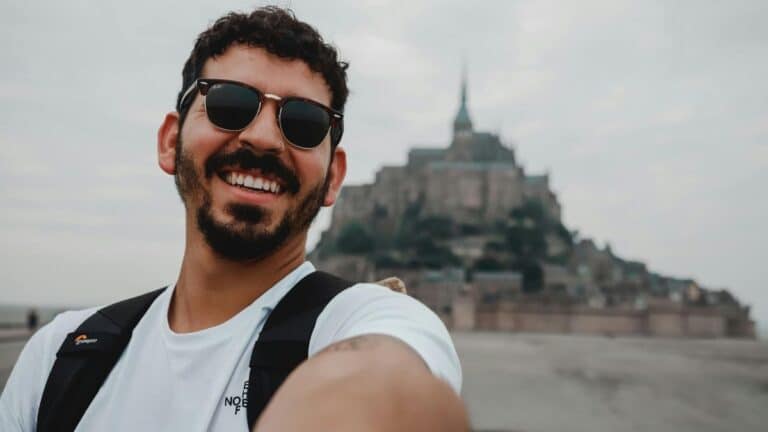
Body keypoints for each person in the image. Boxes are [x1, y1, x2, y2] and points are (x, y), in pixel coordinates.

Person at [0, 6, 466, 432]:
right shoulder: (60, 356)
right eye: (228, 104)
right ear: (170, 140)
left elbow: (391, 386)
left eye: (303, 123)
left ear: (332, 179)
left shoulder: (369, 320)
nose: (263, 138)